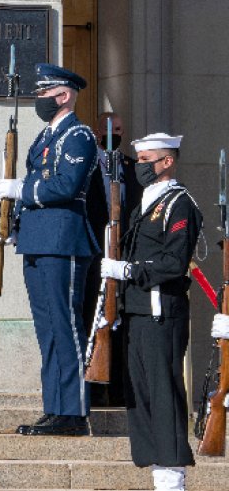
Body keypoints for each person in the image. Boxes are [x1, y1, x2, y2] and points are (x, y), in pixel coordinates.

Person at [0, 63, 99, 436]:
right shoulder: (44, 136)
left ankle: (74, 411)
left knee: (66, 324)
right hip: (37, 239)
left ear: (64, 95)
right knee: (47, 328)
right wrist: (13, 225)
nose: (38, 99)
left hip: (62, 239)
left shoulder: (78, 136)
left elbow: (66, 185)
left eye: (44, 93)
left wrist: (21, 190)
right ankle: (55, 406)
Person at [101, 133, 202, 491]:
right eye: (139, 159)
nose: (140, 166)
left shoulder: (179, 203)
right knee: (141, 397)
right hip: (136, 311)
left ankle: (174, 484)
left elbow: (173, 262)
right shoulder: (144, 202)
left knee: (163, 395)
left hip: (162, 312)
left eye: (147, 159)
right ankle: (160, 480)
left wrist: (128, 271)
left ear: (167, 161)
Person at [83, 111, 143, 407]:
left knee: (122, 318)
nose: (114, 134)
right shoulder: (86, 164)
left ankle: (120, 390)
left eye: (118, 129)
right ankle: (93, 390)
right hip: (94, 251)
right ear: (97, 131)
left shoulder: (130, 166)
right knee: (93, 316)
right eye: (108, 129)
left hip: (124, 252)